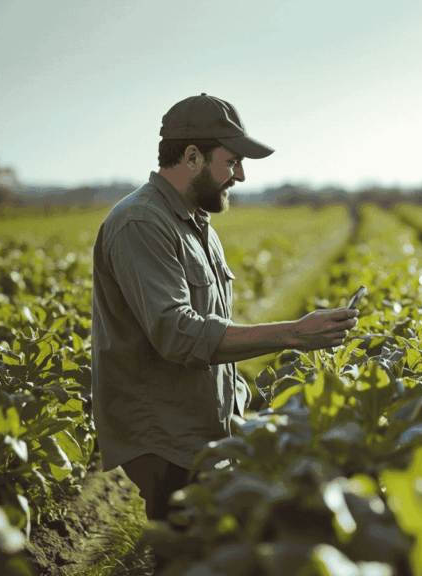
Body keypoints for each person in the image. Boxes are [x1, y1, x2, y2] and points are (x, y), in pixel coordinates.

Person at [91, 93, 358, 521]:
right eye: (232, 162)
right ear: (192, 156)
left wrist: (240, 400)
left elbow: (208, 325)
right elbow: (178, 333)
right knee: (185, 555)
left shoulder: (197, 223)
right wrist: (295, 333)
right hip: (165, 433)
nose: (241, 176)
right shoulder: (140, 222)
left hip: (199, 422)